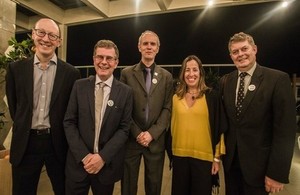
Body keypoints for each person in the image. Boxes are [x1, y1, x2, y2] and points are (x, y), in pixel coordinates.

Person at [5, 18, 80, 195]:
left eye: (52, 35)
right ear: (33, 34)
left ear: (59, 41)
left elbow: (72, 111)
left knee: (63, 190)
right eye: (41, 33)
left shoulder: (71, 73)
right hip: (26, 143)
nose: (46, 39)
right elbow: (16, 108)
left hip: (57, 144)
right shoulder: (15, 70)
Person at [220, 32, 296, 195]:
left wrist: (277, 173)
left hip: (260, 170)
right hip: (231, 166)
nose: (240, 54)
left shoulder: (277, 79)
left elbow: (285, 131)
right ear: (231, 56)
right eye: (235, 52)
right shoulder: (227, 81)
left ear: (255, 49)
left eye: (244, 49)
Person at [63, 39, 133, 195]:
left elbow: (124, 129)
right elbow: (69, 122)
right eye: (100, 57)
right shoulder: (79, 86)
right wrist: (84, 156)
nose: (104, 62)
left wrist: (102, 157)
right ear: (94, 60)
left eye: (109, 58)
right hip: (78, 165)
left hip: (105, 168)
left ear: (116, 63)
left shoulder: (126, 92)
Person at [120, 30, 173, 195]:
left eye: (153, 44)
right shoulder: (127, 74)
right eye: (145, 43)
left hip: (155, 142)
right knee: (128, 186)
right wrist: (137, 133)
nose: (149, 47)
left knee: (154, 185)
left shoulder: (167, 76)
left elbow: (167, 108)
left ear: (158, 48)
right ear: (139, 47)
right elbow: (124, 108)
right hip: (131, 140)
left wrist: (152, 133)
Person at [170, 55, 226, 195]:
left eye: (195, 70)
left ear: (201, 72)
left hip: (204, 159)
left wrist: (216, 159)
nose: (191, 74)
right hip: (179, 157)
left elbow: (220, 129)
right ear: (183, 73)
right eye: (187, 70)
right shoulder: (175, 97)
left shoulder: (212, 96)